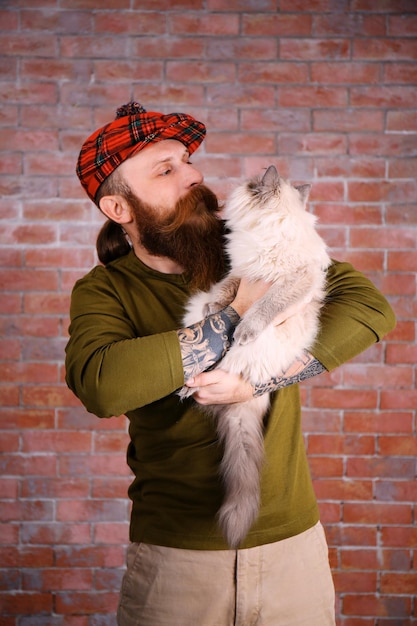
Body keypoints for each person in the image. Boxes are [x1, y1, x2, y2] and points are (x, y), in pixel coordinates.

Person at [65, 101, 396, 626]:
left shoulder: (257, 243)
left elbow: (370, 307)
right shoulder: (105, 290)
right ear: (119, 209)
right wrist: (238, 311)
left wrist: (257, 379)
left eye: (188, 161)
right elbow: (102, 384)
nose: (194, 175)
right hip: (175, 561)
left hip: (293, 550)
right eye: (167, 169)